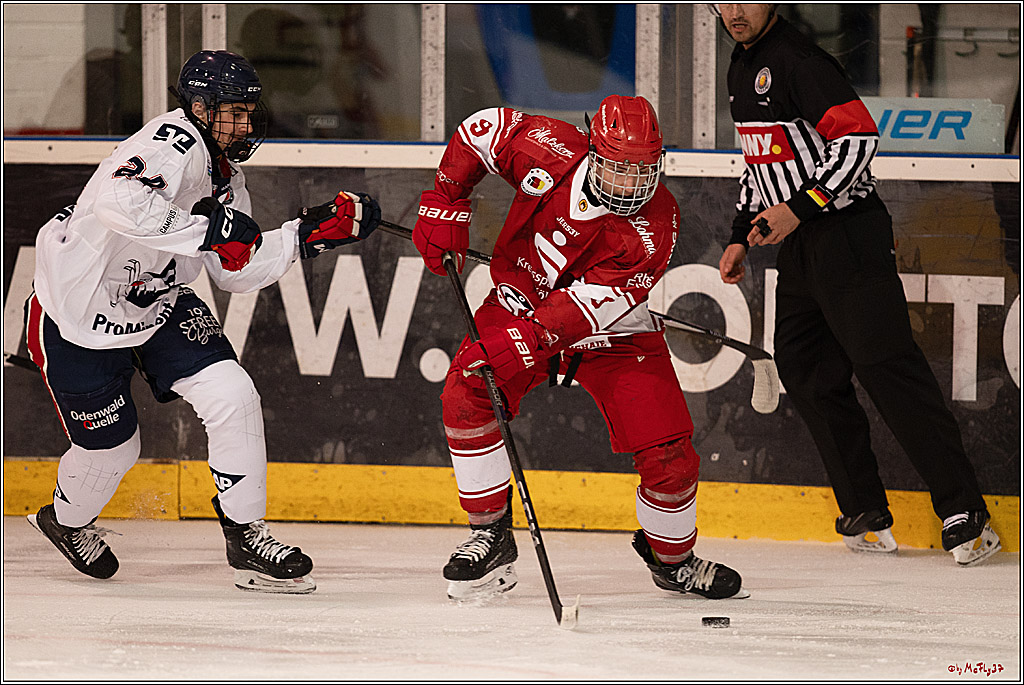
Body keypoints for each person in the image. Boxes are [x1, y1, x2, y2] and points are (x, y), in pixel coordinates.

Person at [25, 50, 381, 592]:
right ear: (198, 107)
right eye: (233, 112)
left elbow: (234, 272)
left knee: (233, 394)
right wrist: (207, 231)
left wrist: (304, 237)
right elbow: (120, 203)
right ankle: (65, 520)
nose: (246, 123)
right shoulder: (172, 144)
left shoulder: (227, 178)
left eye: (249, 111)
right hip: (79, 313)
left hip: (159, 299)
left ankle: (246, 534)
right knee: (115, 449)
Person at [412, 95, 749, 601]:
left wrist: (523, 342)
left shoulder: (657, 225)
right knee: (466, 392)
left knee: (670, 455)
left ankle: (673, 562)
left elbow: (583, 310)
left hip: (615, 332)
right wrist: (446, 198)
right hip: (516, 303)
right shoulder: (547, 147)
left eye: (643, 171)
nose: (632, 185)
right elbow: (479, 129)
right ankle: (491, 535)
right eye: (618, 169)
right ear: (593, 149)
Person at [713, 4, 1000, 565]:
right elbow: (761, 162)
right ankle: (865, 509)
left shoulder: (800, 61)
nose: (733, 11)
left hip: (846, 233)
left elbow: (860, 139)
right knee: (805, 370)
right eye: (722, 0)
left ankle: (967, 512)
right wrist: (739, 235)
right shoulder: (741, 63)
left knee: (887, 368)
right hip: (797, 243)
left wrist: (802, 206)